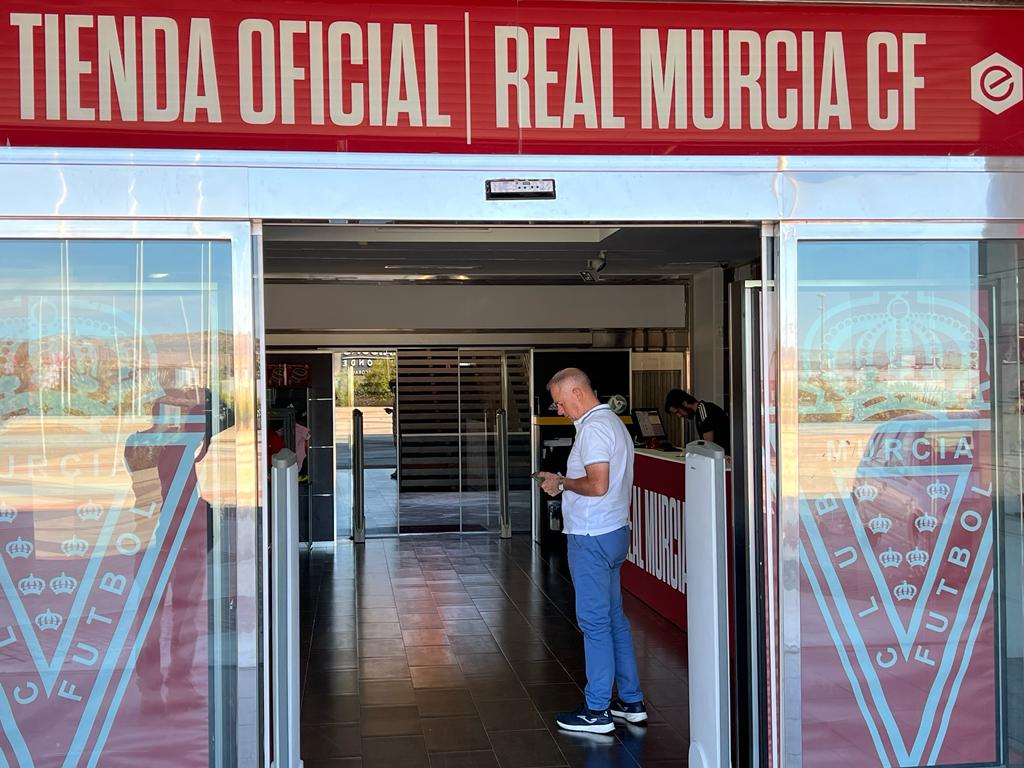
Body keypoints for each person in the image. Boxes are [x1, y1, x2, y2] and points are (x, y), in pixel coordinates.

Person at [536, 368, 647, 734]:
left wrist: (561, 482)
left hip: (592, 536)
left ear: (578, 392)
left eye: (561, 400)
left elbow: (597, 484)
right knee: (614, 619)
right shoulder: (611, 423)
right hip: (613, 532)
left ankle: (597, 709)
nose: (558, 407)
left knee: (595, 622)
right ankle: (631, 701)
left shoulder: (595, 428)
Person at [665, 389, 730, 454]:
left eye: (678, 412)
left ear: (684, 404)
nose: (679, 415)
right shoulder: (701, 411)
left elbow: (709, 446)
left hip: (725, 457)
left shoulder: (703, 411)